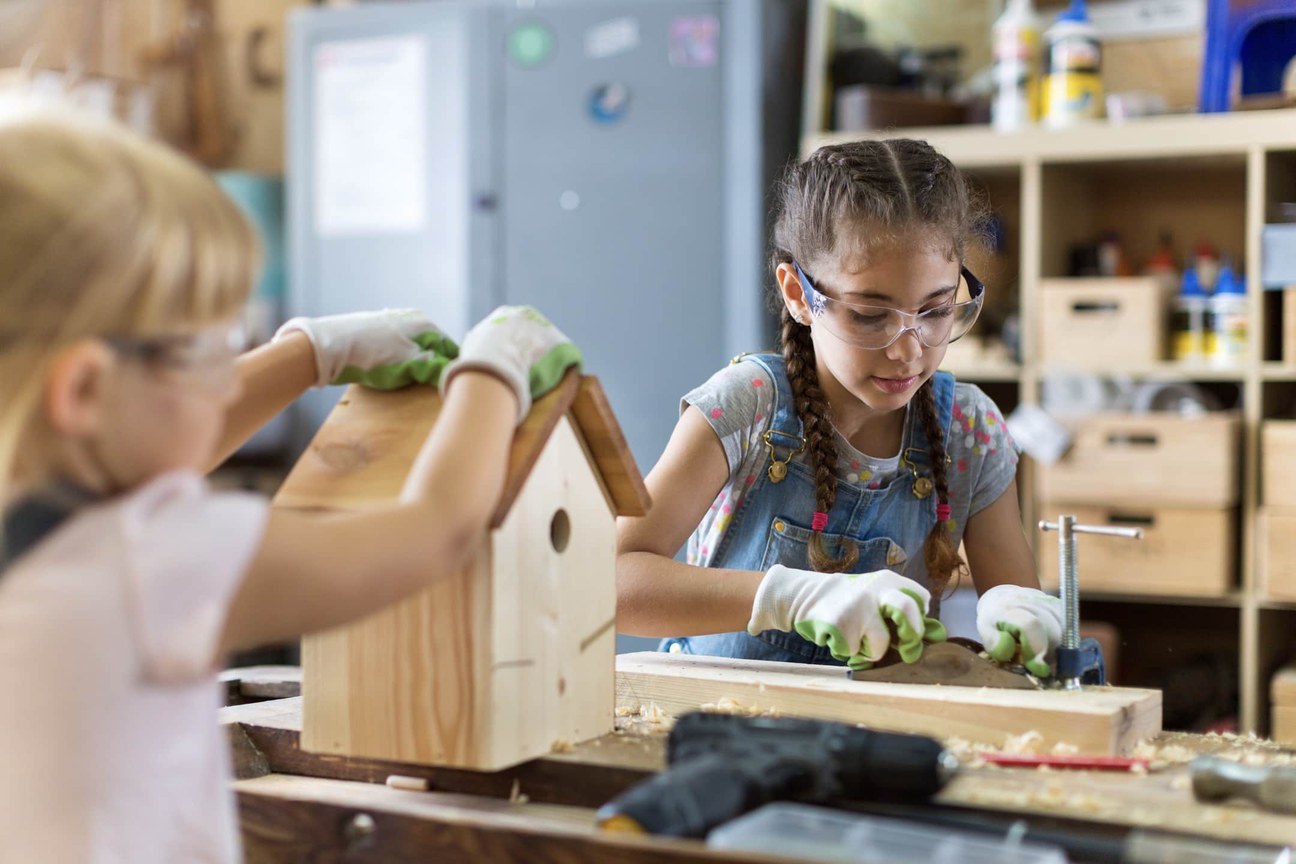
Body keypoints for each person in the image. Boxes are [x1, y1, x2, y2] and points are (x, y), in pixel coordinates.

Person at [0, 108, 581, 863]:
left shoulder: (45, 521)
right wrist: (492, 376)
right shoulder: (151, 564)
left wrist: (310, 353)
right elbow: (434, 531)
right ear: (83, 390)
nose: (226, 377)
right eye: (209, 350)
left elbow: (157, 444)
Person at [617, 138, 1062, 676]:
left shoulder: (969, 431)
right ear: (798, 295)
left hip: (877, 722)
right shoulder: (748, 405)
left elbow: (1019, 637)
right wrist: (791, 597)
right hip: (721, 716)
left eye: (936, 310)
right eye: (870, 316)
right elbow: (612, 580)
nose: (908, 350)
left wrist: (1022, 613)